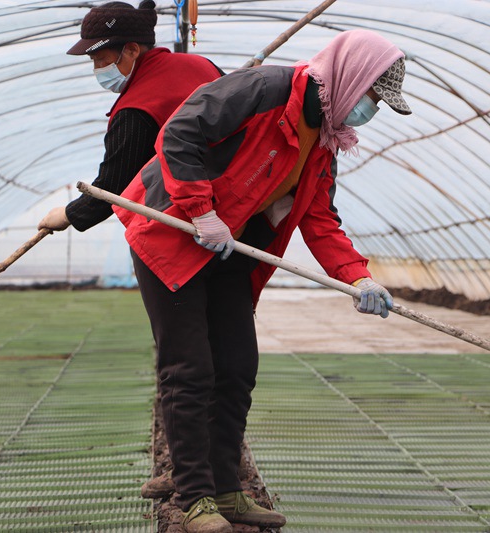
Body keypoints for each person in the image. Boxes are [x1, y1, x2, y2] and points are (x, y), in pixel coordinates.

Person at [114, 29, 412, 533]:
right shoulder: (264, 89)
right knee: (190, 370)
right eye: (372, 97)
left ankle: (227, 490)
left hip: (228, 249)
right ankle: (194, 498)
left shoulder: (323, 141)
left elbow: (320, 219)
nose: (371, 111)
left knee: (236, 367)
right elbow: (180, 133)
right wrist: (200, 210)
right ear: (350, 77)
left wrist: (358, 277)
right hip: (171, 233)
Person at [37, 0, 222, 234]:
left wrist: (68, 214)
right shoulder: (200, 64)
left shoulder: (136, 108)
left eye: (102, 59)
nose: (98, 69)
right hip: (248, 190)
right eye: (94, 61)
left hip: (206, 218)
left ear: (132, 50)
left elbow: (112, 188)